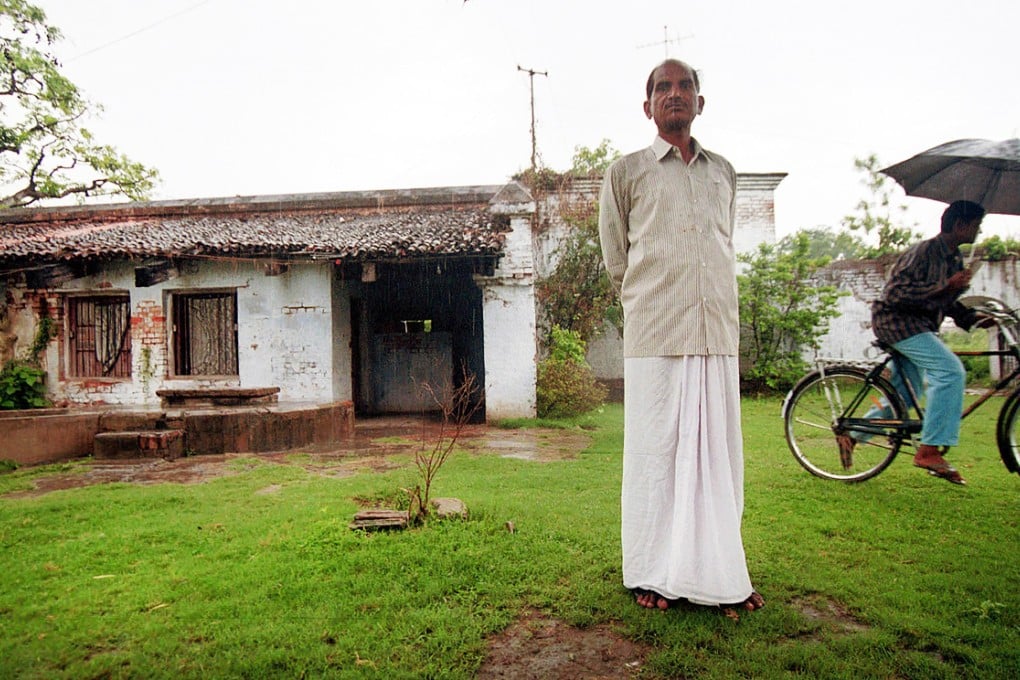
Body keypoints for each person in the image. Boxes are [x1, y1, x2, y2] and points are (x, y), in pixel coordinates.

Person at [598, 59, 763, 616]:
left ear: (700, 100)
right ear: (647, 107)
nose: (675, 94)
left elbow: (722, 243)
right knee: (656, 458)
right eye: (662, 88)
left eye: (685, 85)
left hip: (715, 331)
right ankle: (652, 572)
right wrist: (656, 298)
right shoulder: (626, 172)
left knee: (718, 459)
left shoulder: (725, 172)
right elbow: (616, 259)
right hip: (655, 334)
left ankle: (721, 572)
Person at [866, 199, 989, 485]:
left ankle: (852, 434)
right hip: (897, 323)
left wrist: (972, 319)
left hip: (918, 326)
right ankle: (929, 449)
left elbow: (946, 302)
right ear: (960, 225)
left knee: (904, 396)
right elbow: (895, 295)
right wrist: (947, 285)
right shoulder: (923, 252)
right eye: (976, 226)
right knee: (949, 371)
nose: (978, 232)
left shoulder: (953, 258)